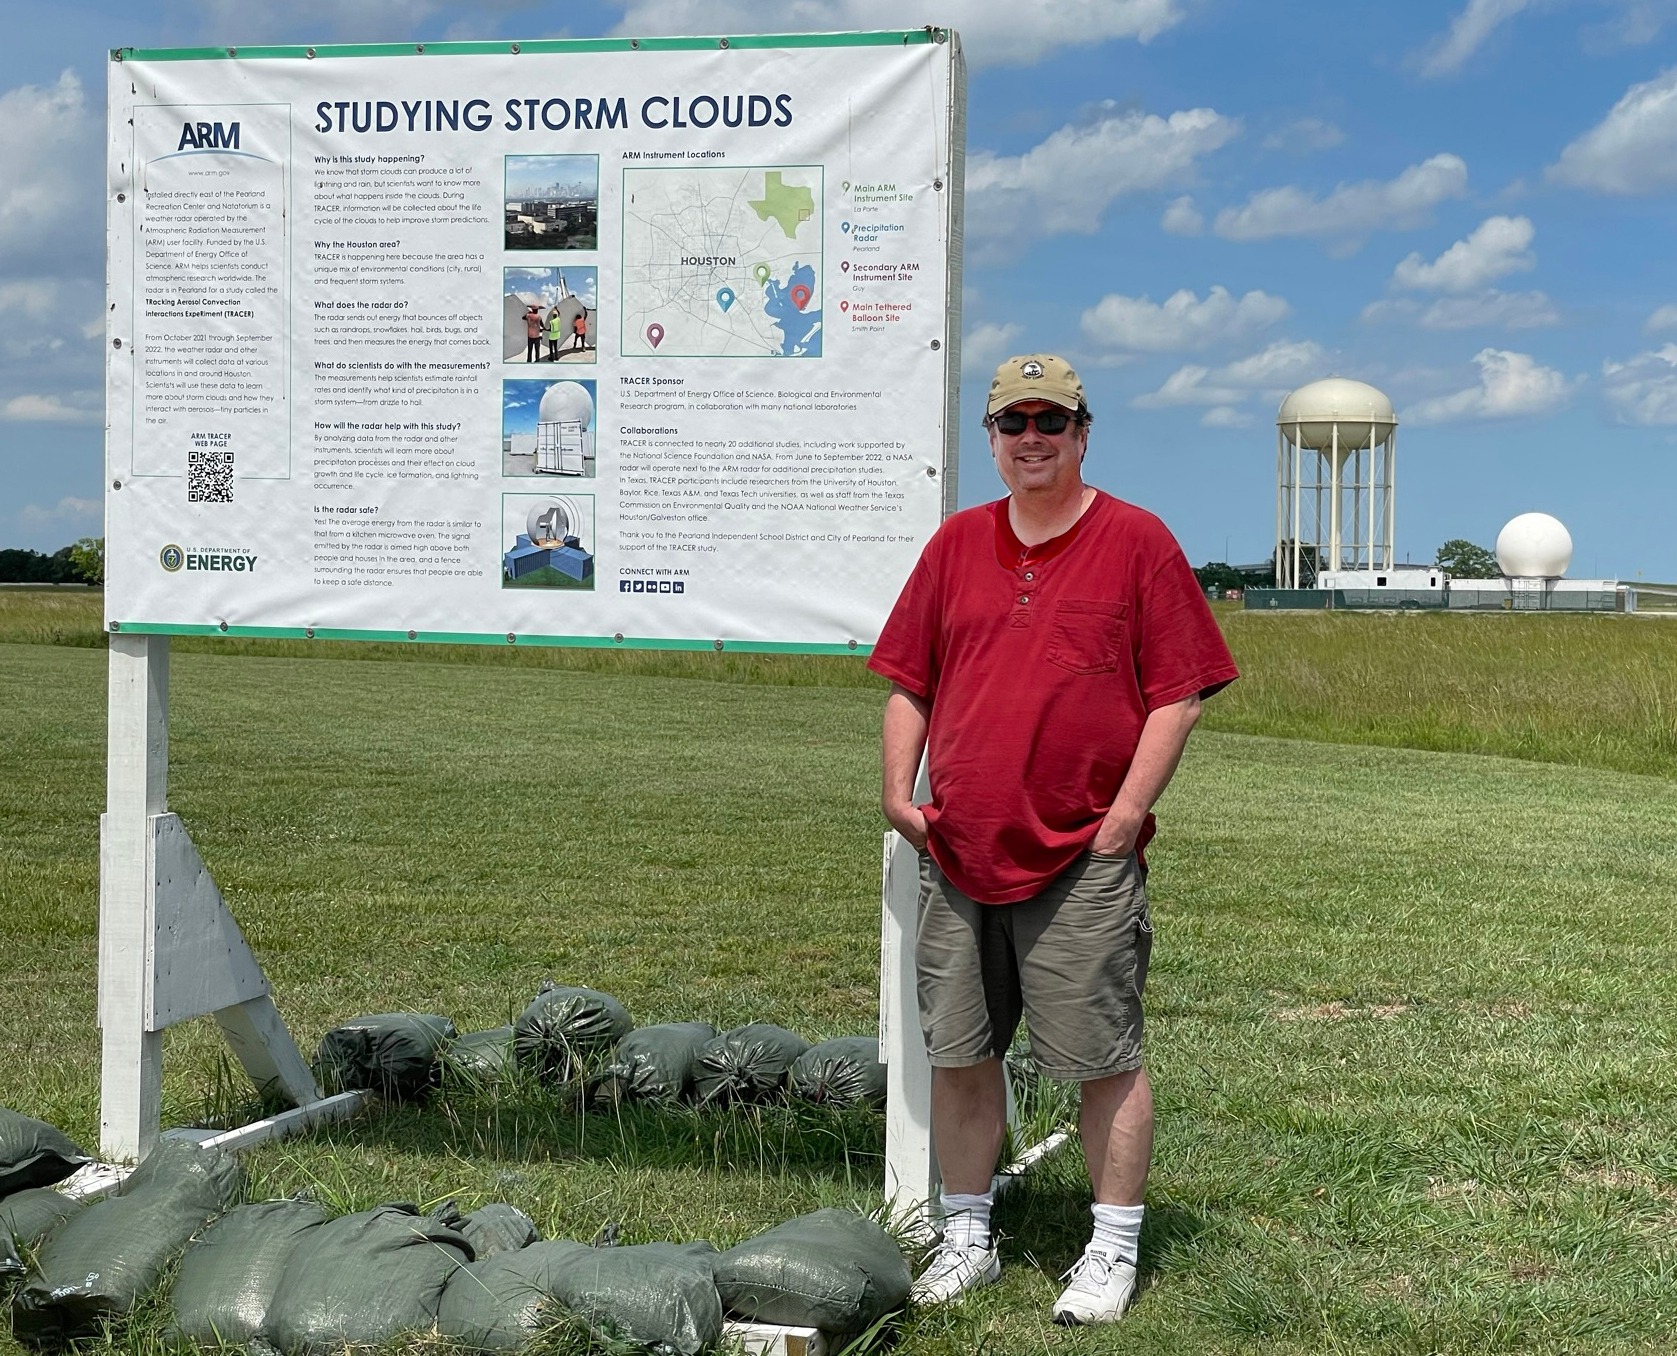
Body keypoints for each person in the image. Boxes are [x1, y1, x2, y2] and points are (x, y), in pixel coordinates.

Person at [867, 354, 1238, 1325]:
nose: (1031, 438)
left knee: (1100, 1059)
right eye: (1012, 422)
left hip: (1081, 859)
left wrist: (1121, 819)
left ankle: (1110, 1250)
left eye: (1051, 420)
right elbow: (912, 678)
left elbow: (1179, 695)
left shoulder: (1136, 543)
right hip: (957, 854)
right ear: (990, 440)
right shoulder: (955, 546)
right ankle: (966, 1239)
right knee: (959, 1052)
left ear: (1082, 433)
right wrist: (899, 794)